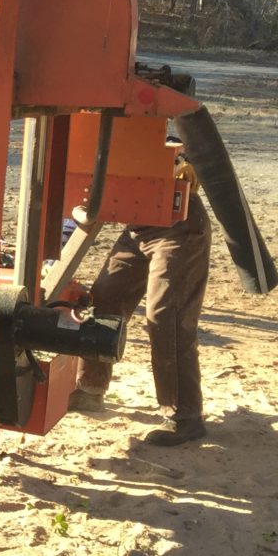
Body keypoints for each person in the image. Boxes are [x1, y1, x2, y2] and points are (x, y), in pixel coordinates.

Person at [67, 186, 212, 446]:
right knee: (104, 299)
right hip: (138, 227)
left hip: (179, 227)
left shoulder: (181, 146)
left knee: (166, 317)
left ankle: (185, 416)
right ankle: (90, 389)